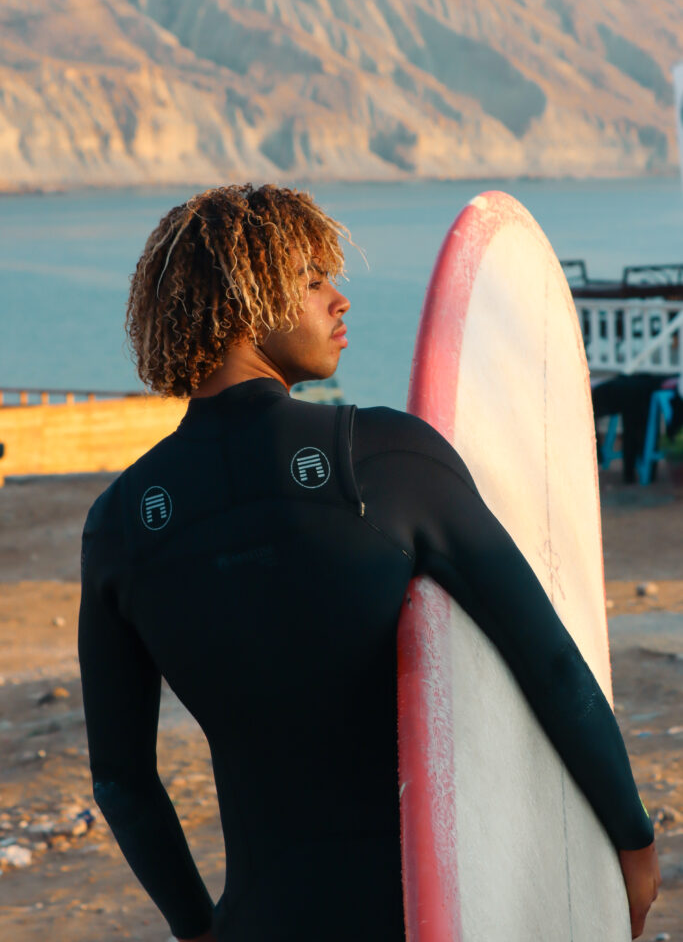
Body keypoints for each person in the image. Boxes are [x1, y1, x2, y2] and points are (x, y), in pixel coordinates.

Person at [79, 184, 661, 942]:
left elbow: (122, 780)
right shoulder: (384, 457)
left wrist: (197, 928)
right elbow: (550, 665)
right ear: (247, 299)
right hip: (435, 913)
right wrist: (631, 840)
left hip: (265, 919)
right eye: (313, 278)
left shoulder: (118, 525)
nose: (339, 299)